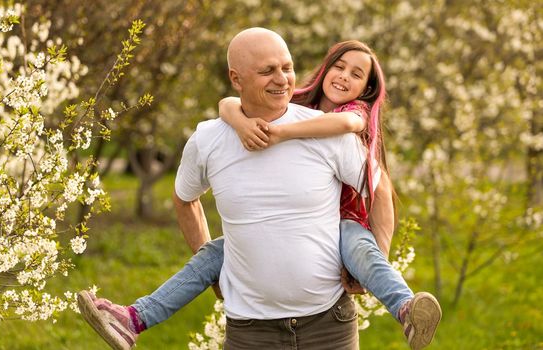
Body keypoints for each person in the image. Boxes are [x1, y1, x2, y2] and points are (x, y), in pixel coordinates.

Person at [77, 29, 439, 350]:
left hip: (330, 325)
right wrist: (215, 271)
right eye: (267, 71)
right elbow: (185, 197)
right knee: (213, 254)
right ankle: (132, 320)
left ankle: (405, 307)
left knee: (354, 240)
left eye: (287, 67)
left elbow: (379, 189)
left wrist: (377, 260)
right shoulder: (211, 137)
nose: (281, 79)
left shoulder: (333, 129)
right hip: (251, 332)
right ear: (236, 78)